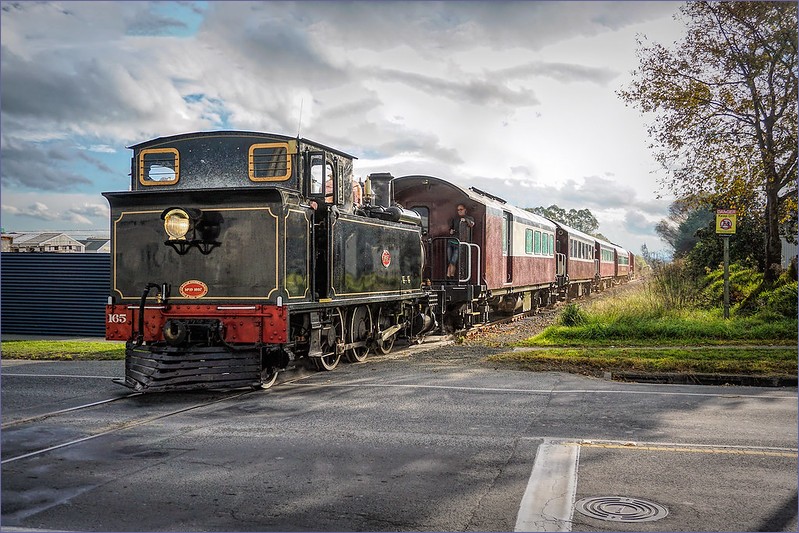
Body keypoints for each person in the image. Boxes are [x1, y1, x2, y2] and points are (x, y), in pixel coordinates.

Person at [447, 204, 475, 280]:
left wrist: (465, 220)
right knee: (450, 261)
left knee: (453, 261)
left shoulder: (469, 218)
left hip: (459, 243)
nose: (459, 211)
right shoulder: (455, 219)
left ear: (465, 210)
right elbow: (450, 229)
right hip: (451, 242)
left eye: (461, 209)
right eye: (458, 210)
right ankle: (449, 277)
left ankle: (451, 277)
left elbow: (472, 224)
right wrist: (451, 231)